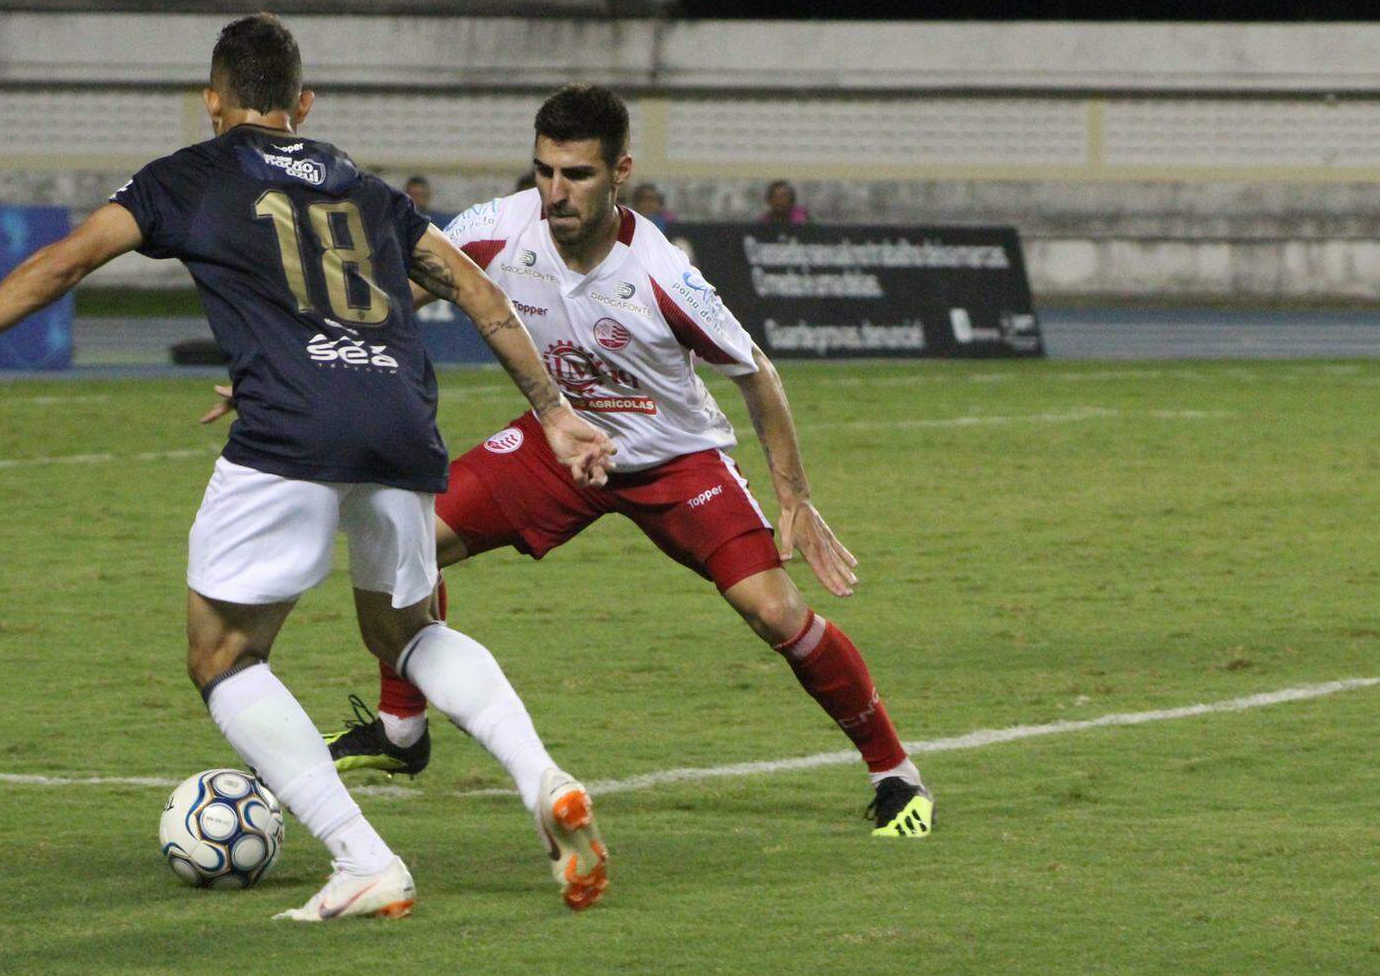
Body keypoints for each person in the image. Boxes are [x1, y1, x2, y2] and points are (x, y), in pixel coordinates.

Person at [0, 14, 619, 920]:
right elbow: (477, 291)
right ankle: (543, 777)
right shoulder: (367, 188)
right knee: (405, 631)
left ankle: (363, 858)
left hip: (293, 429)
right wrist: (554, 413)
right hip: (400, 419)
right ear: (303, 105)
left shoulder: (191, 175)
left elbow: (63, 264)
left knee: (222, 653)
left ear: (213, 102)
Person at [322, 85, 934, 839]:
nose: (556, 192)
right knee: (406, 543)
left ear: (621, 173)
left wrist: (795, 498)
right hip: (558, 445)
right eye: (545, 171)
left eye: (577, 175)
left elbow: (757, 374)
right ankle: (401, 730)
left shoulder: (663, 275)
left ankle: (896, 775)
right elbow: (396, 296)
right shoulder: (495, 228)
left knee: (775, 613)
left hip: (673, 461)